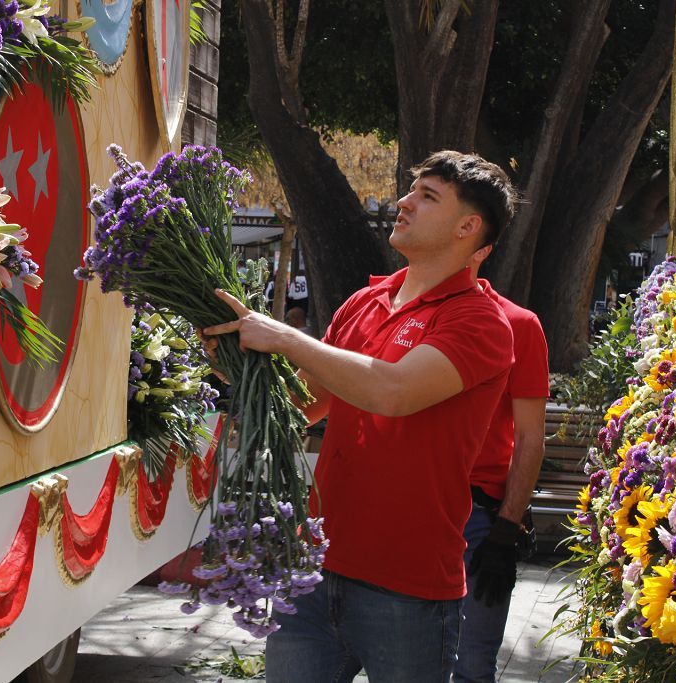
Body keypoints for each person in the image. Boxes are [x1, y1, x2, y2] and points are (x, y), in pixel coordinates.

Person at [203, 151, 519, 682]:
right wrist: (237, 363)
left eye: (427, 196)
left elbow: (392, 392)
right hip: (313, 567)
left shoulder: (480, 322)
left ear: (468, 227)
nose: (404, 202)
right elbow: (305, 403)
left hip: (408, 587)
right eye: (411, 190)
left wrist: (283, 336)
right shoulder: (366, 301)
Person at [452, 247, 549, 683]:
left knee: (471, 665)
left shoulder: (519, 324)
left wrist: (506, 532)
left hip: (478, 519)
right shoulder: (391, 309)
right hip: (402, 507)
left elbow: (531, 439)